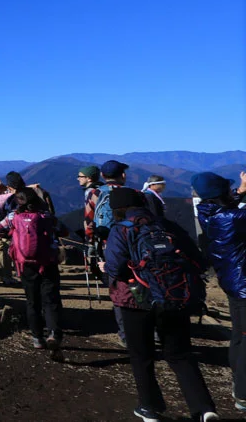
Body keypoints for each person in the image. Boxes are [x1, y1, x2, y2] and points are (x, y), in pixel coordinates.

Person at [101, 186, 217, 422]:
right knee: (181, 355)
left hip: (135, 300)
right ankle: (204, 408)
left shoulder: (121, 230)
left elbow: (115, 268)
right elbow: (197, 259)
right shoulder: (167, 226)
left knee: (142, 356)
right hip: (174, 295)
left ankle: (150, 408)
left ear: (117, 209)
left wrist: (104, 270)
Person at [194, 171, 246, 412]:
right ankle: (243, 393)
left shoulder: (207, 211)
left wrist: (241, 189)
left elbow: (228, 203)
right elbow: (234, 211)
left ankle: (239, 383)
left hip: (232, 281)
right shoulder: (232, 217)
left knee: (239, 335)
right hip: (243, 285)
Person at [0, 190, 67, 352]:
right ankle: (53, 334)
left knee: (32, 301)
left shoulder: (12, 217)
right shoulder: (46, 216)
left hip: (24, 264)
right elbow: (64, 231)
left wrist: (13, 236)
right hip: (48, 262)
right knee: (51, 300)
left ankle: (37, 338)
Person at [98, 160, 131, 345]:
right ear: (123, 175)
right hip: (132, 243)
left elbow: (89, 221)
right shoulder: (133, 194)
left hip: (107, 243)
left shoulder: (95, 193)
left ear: (102, 176)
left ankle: (125, 332)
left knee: (116, 285)